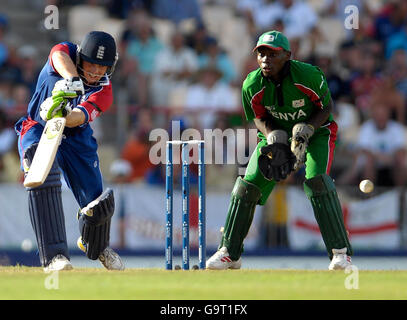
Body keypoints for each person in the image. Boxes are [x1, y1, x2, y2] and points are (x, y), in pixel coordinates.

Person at [206, 30, 353, 270]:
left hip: (317, 131)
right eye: (261, 53)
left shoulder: (308, 75)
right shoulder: (252, 84)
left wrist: (306, 129)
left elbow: (326, 108)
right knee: (247, 184)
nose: (265, 59)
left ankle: (340, 253)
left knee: (317, 180)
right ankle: (229, 253)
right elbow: (258, 117)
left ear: (287, 55)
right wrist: (274, 136)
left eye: (272, 54)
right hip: (276, 134)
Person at [14, 31, 125, 271]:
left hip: (75, 136)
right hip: (38, 128)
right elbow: (58, 55)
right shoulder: (65, 54)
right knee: (43, 177)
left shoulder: (104, 91)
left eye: (102, 67)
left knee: (98, 204)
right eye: (92, 64)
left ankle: (97, 245)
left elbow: (79, 117)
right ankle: (55, 258)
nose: (96, 72)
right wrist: (72, 80)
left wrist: (63, 113)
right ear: (80, 57)